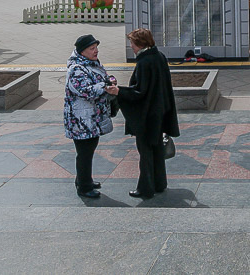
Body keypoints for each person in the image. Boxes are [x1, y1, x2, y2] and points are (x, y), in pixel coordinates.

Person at [116, 28, 180, 199]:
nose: (131, 47)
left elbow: (139, 92)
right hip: (160, 112)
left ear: (140, 44)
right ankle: (160, 183)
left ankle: (145, 188)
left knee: (145, 152)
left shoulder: (144, 63)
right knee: (157, 149)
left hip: (147, 115)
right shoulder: (159, 57)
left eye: (132, 43)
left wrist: (118, 92)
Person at [63, 34, 118, 199]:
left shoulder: (90, 64)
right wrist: (105, 85)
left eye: (96, 48)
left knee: (88, 151)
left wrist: (106, 81)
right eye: (92, 48)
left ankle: (83, 180)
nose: (96, 51)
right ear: (82, 51)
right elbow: (85, 90)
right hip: (81, 120)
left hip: (89, 118)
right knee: (85, 153)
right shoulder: (76, 69)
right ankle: (84, 187)